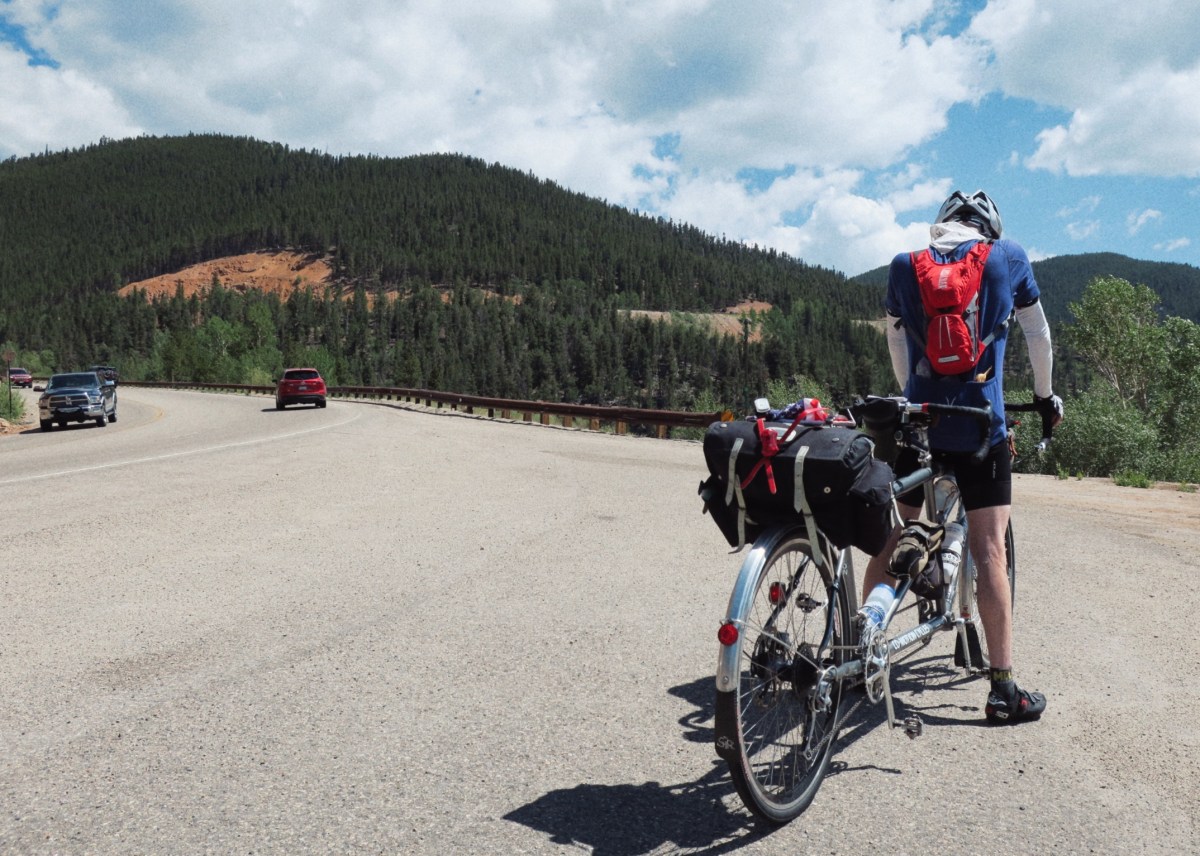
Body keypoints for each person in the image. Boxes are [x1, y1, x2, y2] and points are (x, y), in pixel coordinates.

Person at [862, 189, 1063, 724]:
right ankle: (1002, 689)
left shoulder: (905, 265)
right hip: (981, 428)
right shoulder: (1009, 257)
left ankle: (863, 651)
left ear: (942, 225)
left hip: (918, 424)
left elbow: (897, 341)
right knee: (990, 549)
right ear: (987, 229)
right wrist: (1044, 397)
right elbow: (1038, 334)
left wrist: (915, 402)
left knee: (894, 535)